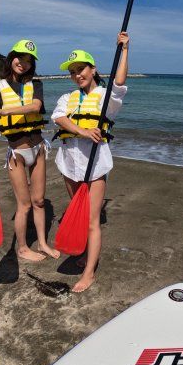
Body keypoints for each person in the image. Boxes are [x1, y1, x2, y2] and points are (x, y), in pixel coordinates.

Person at [51, 32, 130, 292]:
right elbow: (59, 119)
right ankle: (83, 253)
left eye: (81, 69)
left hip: (95, 168)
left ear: (92, 68)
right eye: (72, 71)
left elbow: (120, 83)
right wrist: (83, 131)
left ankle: (89, 273)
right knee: (78, 214)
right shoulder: (67, 98)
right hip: (69, 165)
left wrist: (124, 49)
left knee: (92, 221)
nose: (77, 75)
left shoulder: (107, 97)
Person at [0, 40, 60, 261]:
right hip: (17, 153)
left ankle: (42, 243)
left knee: (40, 201)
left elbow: (35, 107)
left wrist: (3, 111)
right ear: (11, 58)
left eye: (28, 60)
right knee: (24, 205)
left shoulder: (36, 84)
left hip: (39, 149)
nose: (23, 63)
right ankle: (23, 248)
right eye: (19, 58)